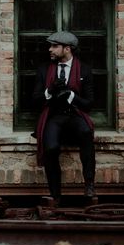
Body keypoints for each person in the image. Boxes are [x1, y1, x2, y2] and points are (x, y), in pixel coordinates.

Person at [32, 31, 95, 205]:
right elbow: (35, 101)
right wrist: (49, 91)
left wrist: (71, 95)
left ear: (67, 49)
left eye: (54, 46)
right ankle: (55, 194)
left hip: (75, 114)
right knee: (51, 148)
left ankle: (89, 183)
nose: (50, 49)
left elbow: (89, 104)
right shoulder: (44, 69)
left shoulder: (84, 69)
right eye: (50, 46)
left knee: (86, 132)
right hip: (54, 116)